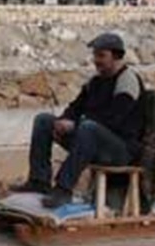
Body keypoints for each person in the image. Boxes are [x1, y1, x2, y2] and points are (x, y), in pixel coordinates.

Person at [9, 33, 145, 208]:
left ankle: (63, 189)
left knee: (89, 127)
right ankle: (39, 180)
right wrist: (64, 121)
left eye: (101, 55)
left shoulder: (127, 80)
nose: (96, 60)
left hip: (120, 150)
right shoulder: (96, 81)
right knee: (43, 121)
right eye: (95, 55)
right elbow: (75, 107)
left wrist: (74, 126)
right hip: (90, 140)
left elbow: (113, 119)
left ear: (117, 56)